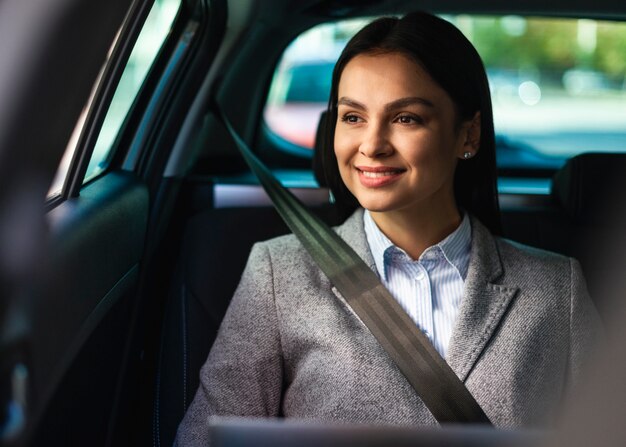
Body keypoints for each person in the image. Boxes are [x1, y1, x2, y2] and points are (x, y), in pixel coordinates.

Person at [175, 11, 600, 446]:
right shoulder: (276, 275)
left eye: (406, 118)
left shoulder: (555, 291)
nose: (372, 144)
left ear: (468, 135)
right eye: (353, 117)